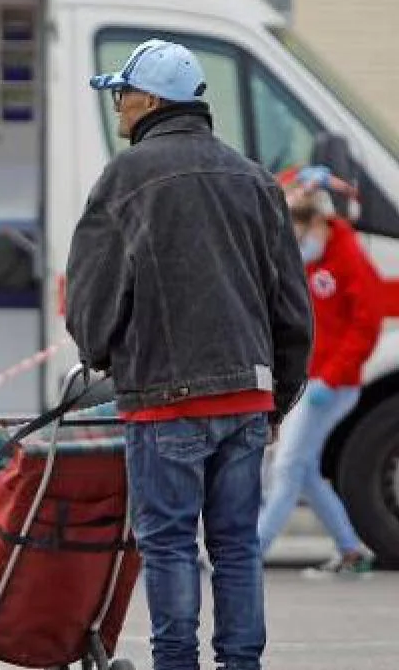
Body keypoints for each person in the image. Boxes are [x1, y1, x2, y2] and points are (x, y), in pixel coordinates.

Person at [66, 39, 312, 670]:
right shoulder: (255, 179)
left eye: (122, 95)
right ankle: (241, 663)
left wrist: (100, 353)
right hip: (248, 398)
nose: (118, 107)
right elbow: (292, 307)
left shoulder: (125, 179)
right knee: (235, 547)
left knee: (171, 545)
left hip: (165, 399)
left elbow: (93, 298)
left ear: (150, 99)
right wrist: (276, 399)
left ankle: (175, 664)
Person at [258, 166, 381, 577]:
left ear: (316, 223)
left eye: (298, 232)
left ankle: (251, 552)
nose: (295, 242)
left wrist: (332, 374)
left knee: (287, 465)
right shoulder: (307, 258)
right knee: (304, 468)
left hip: (333, 384)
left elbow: (367, 323)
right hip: (313, 379)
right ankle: (350, 549)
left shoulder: (347, 256)